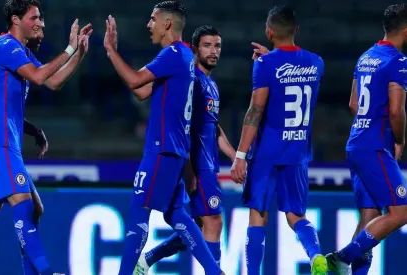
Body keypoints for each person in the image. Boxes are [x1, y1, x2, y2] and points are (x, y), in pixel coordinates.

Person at [0, 1, 92, 274]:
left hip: (5, 142)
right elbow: (40, 77)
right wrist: (68, 48)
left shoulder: (20, 51)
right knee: (24, 206)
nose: (40, 23)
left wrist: (78, 54)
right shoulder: (5, 46)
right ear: (16, 20)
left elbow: (54, 81)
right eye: (35, 17)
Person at [103, 1, 224, 274]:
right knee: (176, 214)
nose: (149, 25)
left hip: (162, 148)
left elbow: (135, 81)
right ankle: (216, 272)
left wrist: (111, 50)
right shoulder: (184, 59)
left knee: (139, 210)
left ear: (167, 23)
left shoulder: (173, 53)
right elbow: (143, 92)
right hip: (175, 150)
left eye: (153, 19)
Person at [230, 5, 327, 275]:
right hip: (297, 152)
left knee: (258, 213)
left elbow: (256, 110)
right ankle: (315, 254)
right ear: (296, 30)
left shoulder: (265, 64)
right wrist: (272, 60)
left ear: (269, 31)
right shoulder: (317, 62)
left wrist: (240, 155)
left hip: (267, 153)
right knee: (296, 215)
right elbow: (290, 75)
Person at [134, 25, 235, 275]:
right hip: (197, 164)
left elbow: (213, 127)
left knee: (198, 226)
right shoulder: (190, 81)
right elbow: (183, 127)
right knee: (214, 221)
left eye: (217, 46)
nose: (213, 51)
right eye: (207, 46)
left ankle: (147, 259)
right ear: (195, 49)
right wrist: (189, 167)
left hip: (208, 162)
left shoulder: (210, 84)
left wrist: (236, 157)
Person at [326, 4, 407, 275]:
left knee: (371, 217)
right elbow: (396, 110)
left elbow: (352, 104)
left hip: (356, 142)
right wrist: (399, 139)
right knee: (401, 212)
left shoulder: (365, 57)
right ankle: (342, 257)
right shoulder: (397, 61)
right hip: (375, 146)